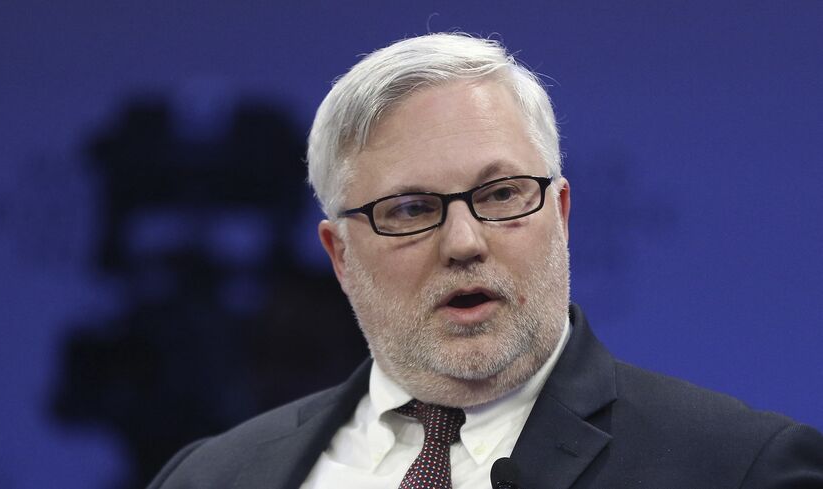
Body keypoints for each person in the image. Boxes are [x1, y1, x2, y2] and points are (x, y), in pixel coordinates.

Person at [147, 33, 823, 489]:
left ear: (560, 214)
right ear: (340, 255)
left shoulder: (739, 468)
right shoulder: (210, 476)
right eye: (410, 209)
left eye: (501, 194)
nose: (465, 241)